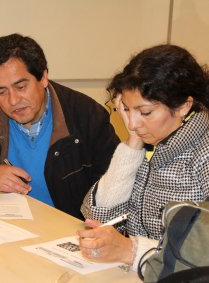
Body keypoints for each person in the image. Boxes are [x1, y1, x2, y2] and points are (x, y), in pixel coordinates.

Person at [0, 33, 119, 219]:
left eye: (21, 87)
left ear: (43, 77)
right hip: (9, 231)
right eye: (1, 92)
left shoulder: (87, 116)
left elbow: (116, 188)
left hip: (71, 235)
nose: (13, 100)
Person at [78, 44, 209, 271]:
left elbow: (201, 255)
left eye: (145, 112)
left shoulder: (202, 154)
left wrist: (132, 250)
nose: (132, 123)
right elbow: (99, 213)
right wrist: (132, 144)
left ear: (183, 106)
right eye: (126, 110)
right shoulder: (154, 141)